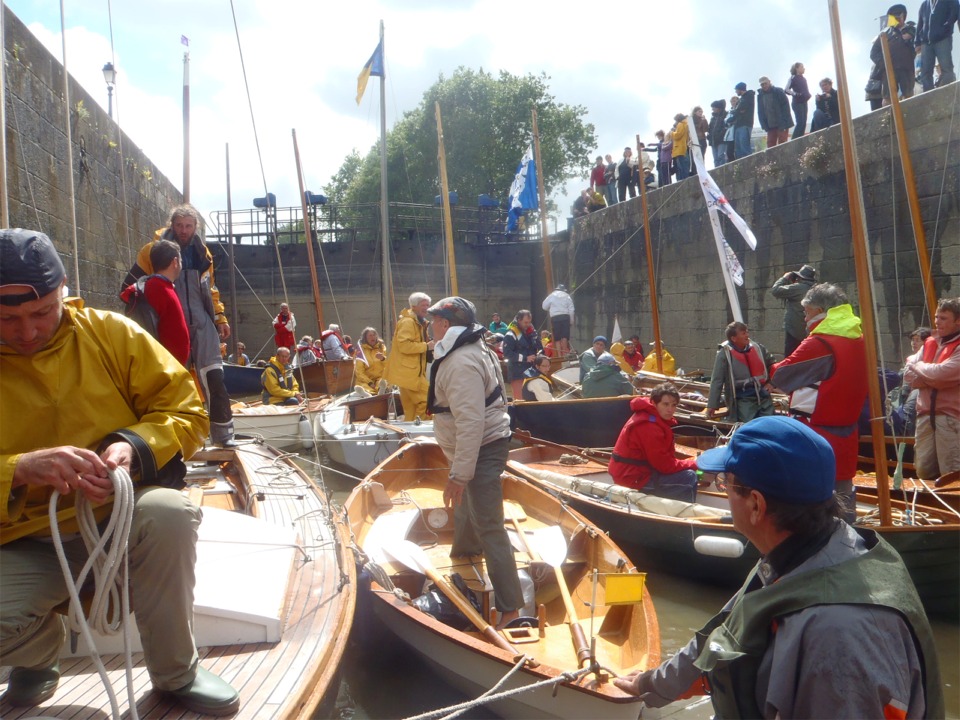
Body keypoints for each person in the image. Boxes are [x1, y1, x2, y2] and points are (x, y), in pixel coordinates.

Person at [0, 229, 240, 715]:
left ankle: (177, 671)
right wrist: (20, 469)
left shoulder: (112, 334)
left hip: (118, 518)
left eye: (42, 313)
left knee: (170, 513)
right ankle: (37, 654)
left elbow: (187, 411)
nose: (26, 332)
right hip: (21, 539)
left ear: (63, 289)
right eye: (6, 319)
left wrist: (132, 447)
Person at [614, 416, 943, 719]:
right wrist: (652, 684)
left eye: (724, 484)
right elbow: (724, 632)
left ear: (756, 505)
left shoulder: (836, 636)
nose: (719, 491)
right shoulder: (809, 549)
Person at [424, 296, 522, 629]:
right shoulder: (474, 347)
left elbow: (470, 422)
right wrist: (460, 474)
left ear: (444, 325)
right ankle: (465, 552)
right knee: (466, 501)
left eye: (432, 321)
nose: (429, 326)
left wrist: (459, 474)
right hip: (482, 441)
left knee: (490, 524)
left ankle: (511, 609)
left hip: (481, 444)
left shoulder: (461, 362)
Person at [123, 204, 236, 447]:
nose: (184, 231)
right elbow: (130, 288)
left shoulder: (203, 254)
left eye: (189, 226)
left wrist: (220, 317)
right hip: (169, 321)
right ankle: (178, 438)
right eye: (179, 225)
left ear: (196, 227)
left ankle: (224, 436)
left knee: (214, 376)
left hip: (201, 320)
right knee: (174, 382)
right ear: (171, 225)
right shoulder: (151, 251)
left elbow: (211, 289)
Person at [770, 283, 867, 515]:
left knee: (811, 492)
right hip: (847, 428)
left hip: (815, 430)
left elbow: (781, 376)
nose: (804, 318)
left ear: (820, 310)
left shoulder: (819, 343)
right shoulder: (859, 338)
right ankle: (847, 535)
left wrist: (771, 366)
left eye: (807, 311)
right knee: (843, 488)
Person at [608, 383, 698, 501]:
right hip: (632, 479)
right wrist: (695, 463)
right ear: (654, 403)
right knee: (689, 477)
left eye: (674, 405)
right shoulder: (649, 427)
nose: (670, 409)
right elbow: (665, 466)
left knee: (687, 472)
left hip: (634, 473)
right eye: (665, 404)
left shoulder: (650, 416)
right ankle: (680, 515)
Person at [903, 297, 960, 479]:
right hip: (925, 416)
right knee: (923, 470)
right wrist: (932, 377)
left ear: (958, 321)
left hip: (950, 419)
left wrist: (919, 368)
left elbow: (941, 374)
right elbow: (908, 376)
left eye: (943, 318)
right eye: (936, 317)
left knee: (951, 473)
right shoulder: (931, 342)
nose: (937, 322)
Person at [119, 238, 190, 366]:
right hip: (163, 369)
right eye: (180, 260)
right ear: (175, 262)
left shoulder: (160, 287)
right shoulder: (158, 289)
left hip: (167, 367)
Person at [706, 322, 776, 422]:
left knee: (770, 423)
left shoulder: (758, 348)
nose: (747, 335)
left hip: (763, 395)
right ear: (734, 338)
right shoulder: (724, 354)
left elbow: (774, 366)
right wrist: (712, 405)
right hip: (743, 399)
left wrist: (772, 383)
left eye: (747, 332)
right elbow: (717, 380)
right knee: (749, 426)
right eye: (743, 333)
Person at [383, 292, 434, 421]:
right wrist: (427, 346)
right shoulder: (408, 322)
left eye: (428, 305)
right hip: (410, 374)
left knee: (410, 408)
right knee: (428, 400)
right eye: (423, 305)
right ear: (414, 306)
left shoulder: (416, 322)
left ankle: (412, 432)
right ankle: (423, 430)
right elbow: (404, 346)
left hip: (406, 374)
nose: (427, 308)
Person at [889, 327, 931, 435]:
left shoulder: (929, 358)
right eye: (913, 340)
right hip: (905, 392)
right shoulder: (910, 358)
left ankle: (906, 438)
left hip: (919, 393)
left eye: (918, 340)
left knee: (908, 418)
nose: (914, 343)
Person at [871, 5, 917, 104]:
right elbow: (874, 53)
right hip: (889, 70)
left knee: (909, 95)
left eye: (898, 17)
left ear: (903, 16)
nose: (896, 20)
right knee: (888, 97)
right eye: (893, 18)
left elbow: (918, 46)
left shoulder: (912, 30)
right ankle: (888, 118)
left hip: (906, 68)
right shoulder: (884, 34)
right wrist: (885, 64)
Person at [770, 263, 817, 356]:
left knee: (791, 356)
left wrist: (784, 278)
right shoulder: (815, 288)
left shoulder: (798, 288)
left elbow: (775, 290)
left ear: (801, 277)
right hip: (809, 330)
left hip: (794, 331)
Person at [917, 0, 958, 92]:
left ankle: (948, 92)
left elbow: (955, 12)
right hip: (926, 42)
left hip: (943, 39)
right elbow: (920, 23)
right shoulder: (924, 4)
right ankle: (928, 96)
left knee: (946, 68)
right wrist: (917, 42)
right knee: (925, 72)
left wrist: (946, 25)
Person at [502, 309, 542, 400]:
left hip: (532, 371)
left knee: (533, 399)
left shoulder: (532, 333)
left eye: (529, 322)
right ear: (519, 320)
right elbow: (507, 353)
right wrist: (525, 358)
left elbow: (539, 347)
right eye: (525, 322)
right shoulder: (510, 335)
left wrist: (539, 356)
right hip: (517, 373)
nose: (528, 325)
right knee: (519, 400)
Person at [756, 76, 793, 149]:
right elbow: (760, 111)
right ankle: (772, 160)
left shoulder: (778, 91)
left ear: (769, 82)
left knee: (782, 144)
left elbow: (786, 107)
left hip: (782, 123)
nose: (764, 86)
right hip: (770, 125)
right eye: (762, 84)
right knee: (770, 145)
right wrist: (764, 125)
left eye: (765, 83)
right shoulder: (760, 96)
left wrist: (785, 122)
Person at [541, 283, 574, 356]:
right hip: (565, 317)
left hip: (555, 317)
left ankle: (559, 355)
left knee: (557, 338)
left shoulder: (552, 295)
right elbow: (571, 309)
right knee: (565, 336)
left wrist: (551, 307)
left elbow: (544, 306)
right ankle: (565, 353)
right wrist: (571, 321)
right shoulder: (567, 296)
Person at [355, 326, 388, 393]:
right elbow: (359, 372)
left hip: (380, 378)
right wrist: (369, 382)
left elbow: (388, 365)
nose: (372, 337)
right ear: (365, 338)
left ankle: (381, 390)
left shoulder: (381, 347)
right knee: (364, 387)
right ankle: (367, 394)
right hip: (366, 380)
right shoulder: (360, 351)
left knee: (383, 383)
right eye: (370, 335)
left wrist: (383, 359)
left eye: (374, 335)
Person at [784, 62, 811, 139]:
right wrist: (795, 94)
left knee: (803, 123)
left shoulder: (803, 79)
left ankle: (800, 139)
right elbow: (786, 89)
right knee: (800, 122)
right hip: (797, 103)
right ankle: (794, 140)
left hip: (804, 102)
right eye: (802, 67)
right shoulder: (793, 78)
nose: (803, 68)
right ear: (797, 68)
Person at [733, 81, 756, 158]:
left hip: (745, 124)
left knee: (744, 147)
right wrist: (737, 111)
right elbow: (739, 110)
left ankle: (749, 166)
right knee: (738, 149)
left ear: (740, 89)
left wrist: (737, 111)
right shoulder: (741, 99)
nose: (736, 91)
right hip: (738, 125)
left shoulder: (748, 96)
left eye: (736, 90)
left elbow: (742, 109)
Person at [669, 114, 690, 180]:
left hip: (679, 148)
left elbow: (677, 135)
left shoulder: (680, 124)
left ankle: (684, 179)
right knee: (684, 165)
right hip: (683, 146)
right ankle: (685, 178)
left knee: (682, 166)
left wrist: (672, 132)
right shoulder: (685, 124)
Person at [707, 99, 728, 166]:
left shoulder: (724, 115)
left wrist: (720, 135)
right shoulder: (712, 118)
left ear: (718, 108)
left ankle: (722, 172)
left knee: (720, 156)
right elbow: (709, 129)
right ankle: (717, 172)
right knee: (715, 158)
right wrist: (709, 136)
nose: (712, 109)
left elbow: (726, 127)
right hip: (713, 140)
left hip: (721, 140)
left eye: (714, 107)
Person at [723, 95, 739, 163]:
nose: (733, 102)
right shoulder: (729, 111)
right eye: (732, 101)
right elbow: (725, 121)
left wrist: (729, 121)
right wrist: (728, 121)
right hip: (729, 135)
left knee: (736, 151)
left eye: (734, 101)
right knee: (729, 152)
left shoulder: (737, 110)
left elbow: (733, 119)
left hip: (736, 132)